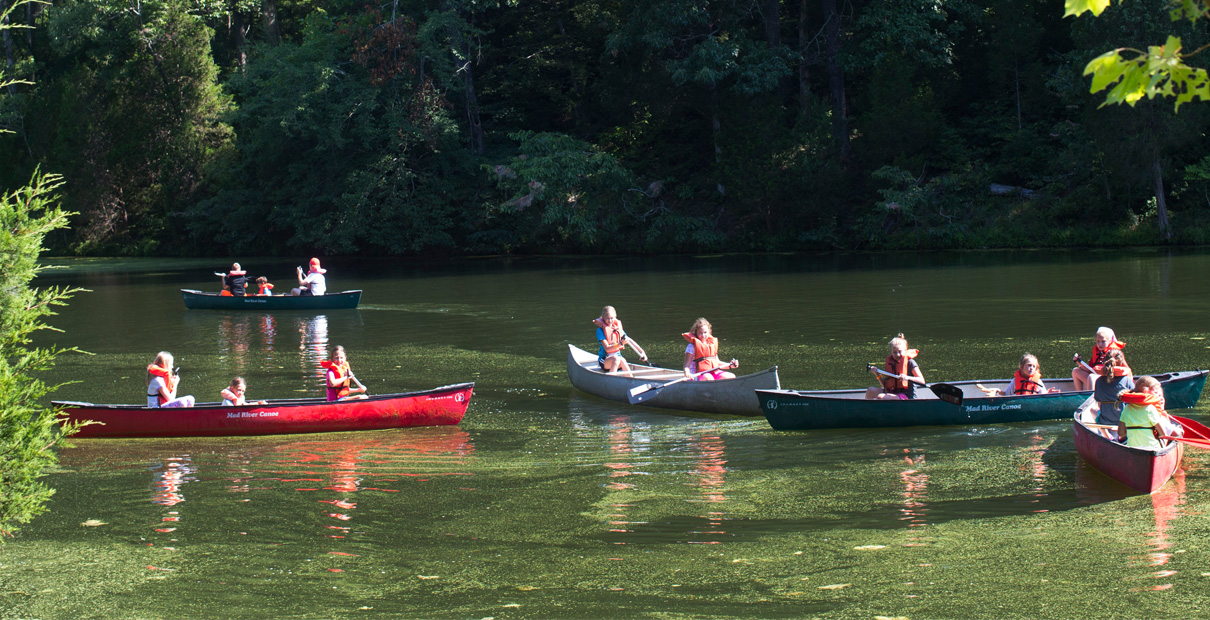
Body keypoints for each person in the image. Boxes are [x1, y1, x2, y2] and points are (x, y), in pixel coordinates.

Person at [1117, 376, 1182, 449]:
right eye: (1155, 393)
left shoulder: (1126, 409)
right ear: (1145, 391)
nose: (1158, 396)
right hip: (1152, 448)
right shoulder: (1150, 409)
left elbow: (1120, 433)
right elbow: (1163, 434)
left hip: (1133, 448)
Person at [865, 333, 925, 400]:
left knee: (881, 397)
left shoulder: (910, 362)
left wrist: (906, 377)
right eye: (894, 352)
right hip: (892, 393)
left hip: (907, 396)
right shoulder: (891, 363)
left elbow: (922, 381)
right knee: (870, 391)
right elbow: (886, 386)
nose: (897, 355)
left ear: (905, 350)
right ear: (891, 352)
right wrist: (878, 375)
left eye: (900, 351)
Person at [594, 305, 648, 375]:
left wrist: (642, 352)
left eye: (611, 318)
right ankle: (611, 381)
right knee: (616, 359)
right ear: (603, 317)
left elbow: (629, 340)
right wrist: (620, 344)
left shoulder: (617, 328)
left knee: (622, 359)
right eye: (607, 318)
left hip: (618, 359)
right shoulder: (600, 330)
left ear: (615, 316)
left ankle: (630, 380)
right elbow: (607, 349)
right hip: (605, 360)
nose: (610, 321)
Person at [979, 353, 1060, 397]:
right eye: (1029, 365)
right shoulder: (1015, 381)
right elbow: (1007, 394)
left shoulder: (1038, 382)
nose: (1031, 368)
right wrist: (997, 391)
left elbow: (1043, 395)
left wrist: (1048, 393)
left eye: (1034, 366)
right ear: (1021, 366)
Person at [1092, 348, 1134, 428]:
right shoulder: (1126, 380)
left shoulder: (1099, 381)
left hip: (1105, 421)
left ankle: (1106, 435)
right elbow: (1135, 399)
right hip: (1124, 422)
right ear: (1121, 363)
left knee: (1092, 410)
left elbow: (1099, 404)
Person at [1072, 326, 1125, 391]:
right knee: (1075, 371)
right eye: (1098, 341)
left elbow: (1123, 371)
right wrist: (1079, 362)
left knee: (1092, 376)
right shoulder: (1097, 352)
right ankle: (1080, 396)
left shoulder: (1115, 353)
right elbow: (1090, 370)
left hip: (1110, 383)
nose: (1100, 344)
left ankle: (1091, 400)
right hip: (1098, 381)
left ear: (1110, 341)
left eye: (1103, 341)